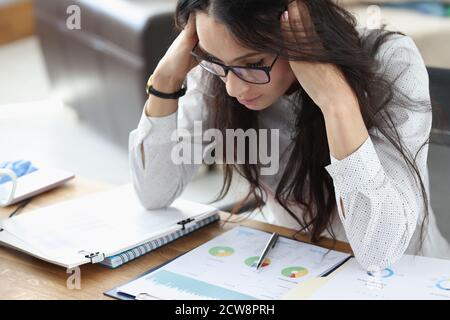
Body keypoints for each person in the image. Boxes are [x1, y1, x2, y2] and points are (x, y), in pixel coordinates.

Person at [129, 0, 450, 271]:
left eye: (252, 63)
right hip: (296, 268)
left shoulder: (390, 61)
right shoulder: (221, 73)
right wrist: (165, 80)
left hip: (407, 276)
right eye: (216, 62)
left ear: (301, 30)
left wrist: (335, 100)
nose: (233, 87)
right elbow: (154, 193)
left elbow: (380, 251)